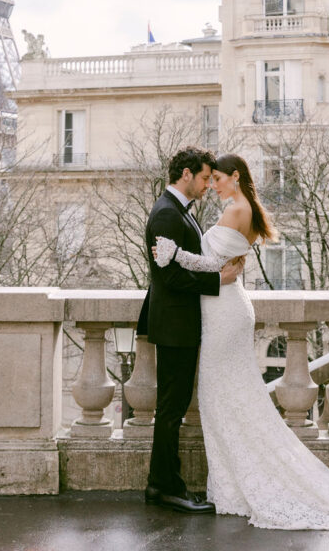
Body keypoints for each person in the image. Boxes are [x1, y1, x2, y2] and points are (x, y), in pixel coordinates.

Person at [152, 153, 329, 531]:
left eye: (216, 179)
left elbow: (213, 264)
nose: (211, 185)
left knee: (226, 398)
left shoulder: (235, 211)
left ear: (234, 177)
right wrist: (189, 259)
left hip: (224, 309)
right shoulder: (238, 208)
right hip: (224, 307)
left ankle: (237, 485)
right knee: (227, 399)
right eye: (207, 178)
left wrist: (176, 254)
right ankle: (229, 484)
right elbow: (219, 263)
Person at [136, 146, 243, 514]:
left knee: (172, 407)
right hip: (175, 324)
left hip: (178, 322)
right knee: (171, 409)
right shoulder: (166, 213)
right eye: (202, 178)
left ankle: (160, 484)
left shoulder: (175, 209)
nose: (205, 185)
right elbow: (169, 276)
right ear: (185, 174)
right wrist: (219, 280)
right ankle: (166, 487)